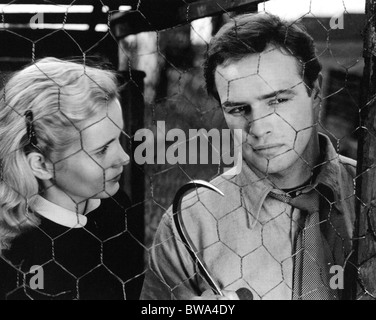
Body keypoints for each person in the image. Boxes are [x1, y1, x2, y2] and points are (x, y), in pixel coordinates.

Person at [140, 13, 356, 300]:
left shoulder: (367, 191)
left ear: (314, 92)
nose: (260, 127)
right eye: (238, 109)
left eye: (278, 100)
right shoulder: (190, 224)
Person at [0, 57, 143, 300]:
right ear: (42, 165)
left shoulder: (115, 203)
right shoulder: (18, 254)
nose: (125, 157)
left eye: (119, 139)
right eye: (102, 150)